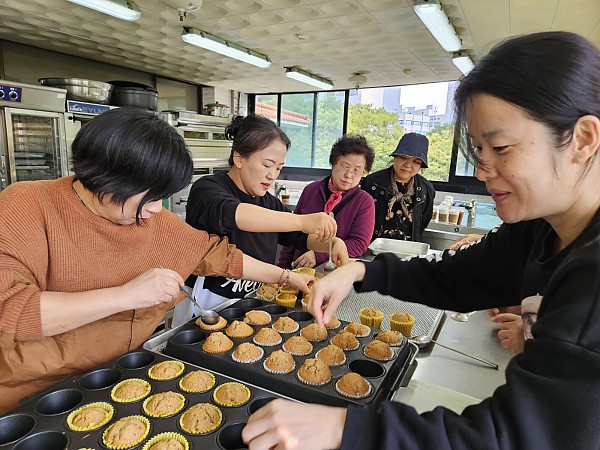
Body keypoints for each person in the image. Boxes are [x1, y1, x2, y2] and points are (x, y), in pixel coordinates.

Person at [242, 31, 600, 449]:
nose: (484, 173)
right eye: (480, 153)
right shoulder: (542, 228)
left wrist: (346, 429)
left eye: (501, 148)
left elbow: (511, 438)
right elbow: (458, 277)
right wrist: (359, 271)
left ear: (583, 140)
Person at [0, 108, 315, 414]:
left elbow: (217, 255)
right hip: (31, 394)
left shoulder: (152, 220)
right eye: (148, 197)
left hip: (116, 376)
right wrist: (126, 295)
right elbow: (11, 311)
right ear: (110, 177)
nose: (155, 209)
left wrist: (285, 278)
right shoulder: (26, 206)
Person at [179, 114, 348, 316]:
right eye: (267, 165)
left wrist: (333, 243)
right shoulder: (207, 189)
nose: (272, 175)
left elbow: (300, 237)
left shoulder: (269, 203)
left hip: (253, 301)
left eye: (279, 168)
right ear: (239, 158)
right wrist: (302, 220)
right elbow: (235, 214)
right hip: (206, 305)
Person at [277, 135, 375, 269]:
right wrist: (282, 268)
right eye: (345, 167)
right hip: (299, 269)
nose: (349, 175)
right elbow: (292, 234)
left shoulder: (364, 202)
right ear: (333, 163)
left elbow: (358, 244)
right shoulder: (311, 190)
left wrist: (318, 255)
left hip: (335, 273)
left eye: (357, 170)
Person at [361, 132, 435, 242]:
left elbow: (423, 222)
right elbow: (361, 219)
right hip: (373, 246)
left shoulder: (427, 190)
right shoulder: (372, 182)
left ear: (421, 165)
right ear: (395, 157)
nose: (408, 165)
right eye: (403, 157)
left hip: (407, 251)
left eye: (416, 161)